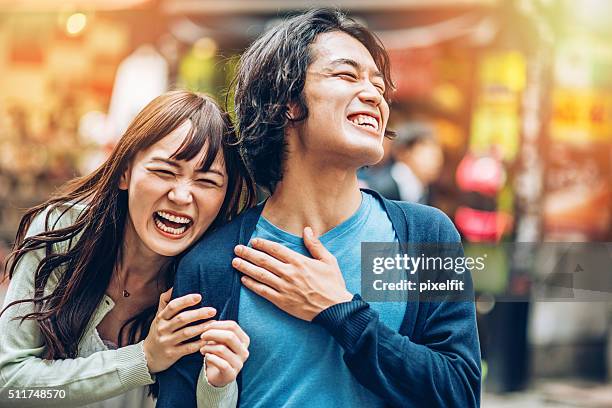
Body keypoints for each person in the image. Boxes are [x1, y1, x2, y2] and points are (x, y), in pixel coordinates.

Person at [157, 9, 481, 407]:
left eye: (378, 86)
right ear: (287, 102)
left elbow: (460, 393)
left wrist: (340, 311)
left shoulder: (425, 235)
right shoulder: (214, 263)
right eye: (347, 75)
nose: (374, 95)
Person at [0, 91, 255, 407]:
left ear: (224, 196)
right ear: (125, 172)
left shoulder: (212, 277)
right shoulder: (63, 233)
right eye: (164, 171)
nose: (181, 195)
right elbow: (9, 386)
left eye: (206, 181)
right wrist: (144, 358)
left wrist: (219, 385)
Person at [390, 121, 444, 204]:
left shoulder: (429, 192)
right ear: (403, 152)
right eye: (428, 151)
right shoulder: (384, 189)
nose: (437, 159)